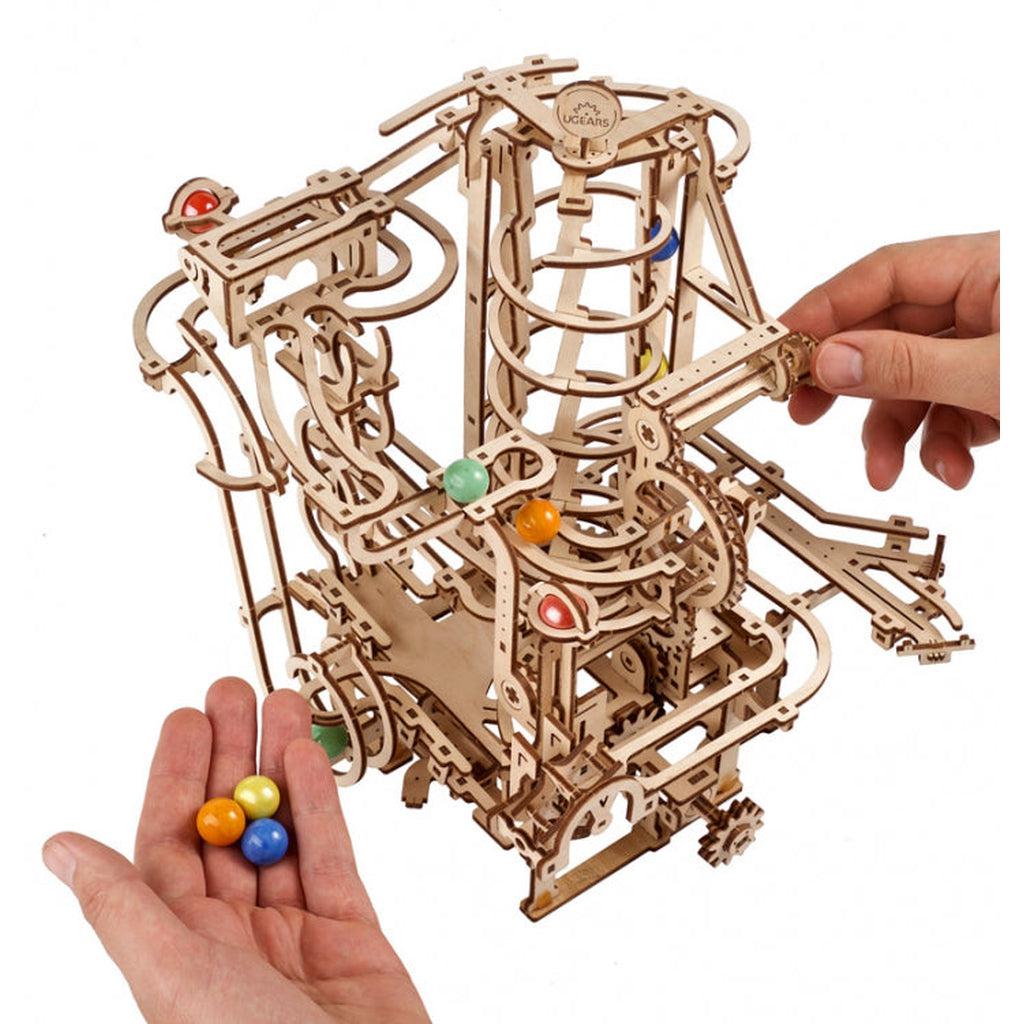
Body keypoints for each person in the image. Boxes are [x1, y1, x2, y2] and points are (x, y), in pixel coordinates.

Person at [42, 234, 999, 1023]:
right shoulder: (435, 501)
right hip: (518, 602)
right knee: (415, 495)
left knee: (481, 507)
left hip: (566, 607)